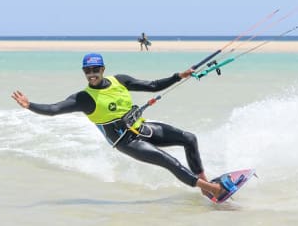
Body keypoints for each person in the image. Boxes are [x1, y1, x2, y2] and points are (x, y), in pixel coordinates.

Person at [11, 53, 227, 199]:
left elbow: (152, 86)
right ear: (84, 73)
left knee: (189, 138)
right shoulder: (83, 98)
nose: (92, 74)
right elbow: (53, 109)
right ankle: (213, 190)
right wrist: (30, 105)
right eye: (87, 71)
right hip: (126, 141)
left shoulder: (120, 81)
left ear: (103, 69)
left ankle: (204, 186)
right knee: (167, 160)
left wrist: (178, 76)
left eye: (95, 69)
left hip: (143, 128)